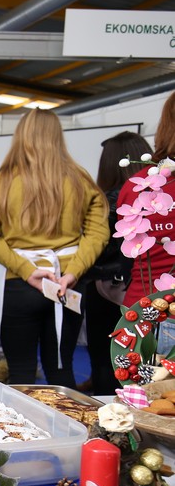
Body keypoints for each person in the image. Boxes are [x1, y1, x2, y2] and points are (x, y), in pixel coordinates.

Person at [0, 108, 109, 387]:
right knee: (61, 370)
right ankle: (75, 428)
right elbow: (98, 233)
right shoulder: (81, 180)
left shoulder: (0, 181)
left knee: (21, 373)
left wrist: (26, 270)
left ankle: (25, 431)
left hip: (19, 286)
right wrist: (72, 273)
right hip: (68, 286)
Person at [81, 132, 151, 395]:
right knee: (142, 357)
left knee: (105, 355)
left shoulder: (107, 201)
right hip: (149, 288)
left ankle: (108, 413)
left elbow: (95, 244)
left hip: (104, 287)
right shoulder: (154, 195)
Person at [117, 92, 175, 308]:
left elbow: (124, 254)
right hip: (149, 310)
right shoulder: (140, 183)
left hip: (142, 308)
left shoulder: (136, 183)